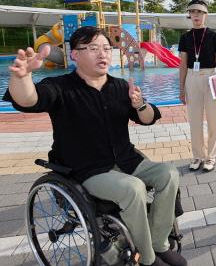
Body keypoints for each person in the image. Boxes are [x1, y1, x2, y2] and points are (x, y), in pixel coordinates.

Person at [3, 26, 186, 266]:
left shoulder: (120, 86)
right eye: (92, 48)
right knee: (133, 189)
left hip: (126, 160)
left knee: (169, 174)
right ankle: (148, 258)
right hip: (88, 168)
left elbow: (149, 118)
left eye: (106, 48)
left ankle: (158, 242)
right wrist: (22, 76)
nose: (102, 54)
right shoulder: (61, 87)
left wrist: (140, 103)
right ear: (75, 55)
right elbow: (29, 99)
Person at [178, 0, 216, 172]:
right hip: (192, 78)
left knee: (214, 120)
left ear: (205, 14)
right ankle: (198, 155)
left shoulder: (214, 36)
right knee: (195, 121)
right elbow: (183, 65)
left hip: (212, 77)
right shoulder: (185, 37)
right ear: (189, 15)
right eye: (192, 12)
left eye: (199, 12)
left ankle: (211, 157)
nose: (196, 15)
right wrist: (181, 89)